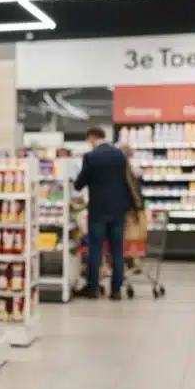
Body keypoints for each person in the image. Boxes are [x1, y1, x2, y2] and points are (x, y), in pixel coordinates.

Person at [74, 127, 133, 299]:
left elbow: (80, 183)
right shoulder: (120, 155)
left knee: (96, 249)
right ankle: (116, 290)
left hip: (98, 209)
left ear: (92, 138)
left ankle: (92, 288)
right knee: (117, 251)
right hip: (118, 209)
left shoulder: (91, 157)